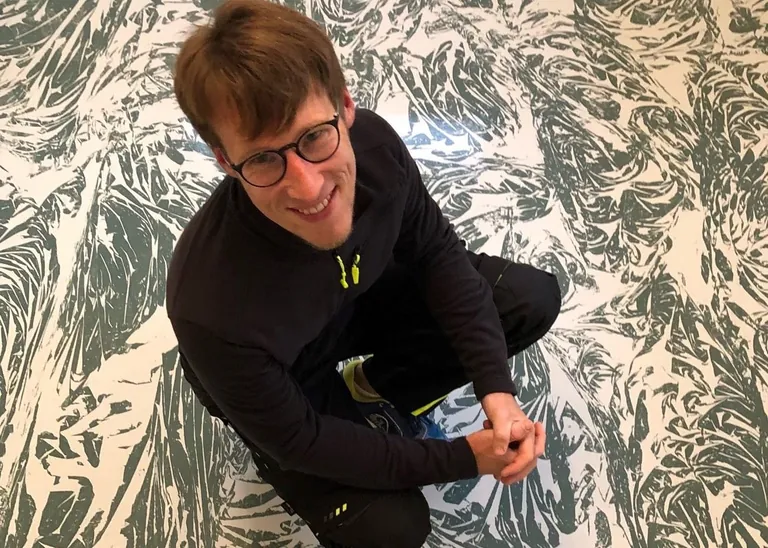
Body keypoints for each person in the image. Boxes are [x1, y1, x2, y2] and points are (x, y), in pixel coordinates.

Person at [166, 1, 561, 546]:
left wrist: (496, 389)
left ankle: (378, 387)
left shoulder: (377, 148)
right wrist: (462, 457)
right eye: (262, 159)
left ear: (346, 105)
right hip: (287, 373)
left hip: (358, 297)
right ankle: (348, 402)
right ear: (224, 161)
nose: (308, 188)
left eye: (314, 137)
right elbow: (302, 441)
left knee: (527, 299)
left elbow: (438, 257)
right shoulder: (209, 307)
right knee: (390, 531)